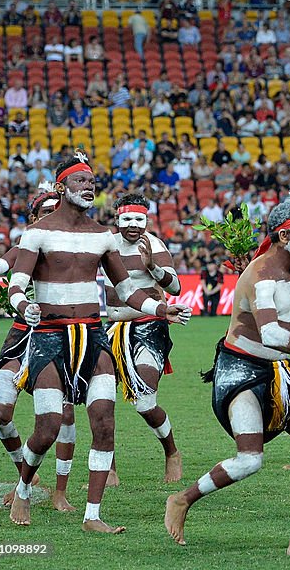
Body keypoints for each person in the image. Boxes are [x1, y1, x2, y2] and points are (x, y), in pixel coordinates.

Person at [164, 193, 290, 555]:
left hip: (277, 372)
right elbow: (272, 334)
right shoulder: (259, 274)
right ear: (284, 237)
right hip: (240, 371)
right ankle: (183, 499)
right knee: (250, 460)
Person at [7, 154, 189, 530]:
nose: (89, 186)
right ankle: (23, 490)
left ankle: (93, 515)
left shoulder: (102, 236)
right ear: (61, 188)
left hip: (92, 336)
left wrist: (160, 308)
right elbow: (15, 285)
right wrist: (23, 304)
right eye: (80, 181)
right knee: (48, 428)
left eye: (92, 182)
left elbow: (126, 290)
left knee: (104, 424)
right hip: (49, 337)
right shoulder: (38, 233)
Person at [0, 183, 77, 512]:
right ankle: (26, 475)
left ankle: (60, 492)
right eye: (46, 212)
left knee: (64, 415)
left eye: (56, 212)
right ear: (33, 218)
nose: (52, 218)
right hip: (21, 336)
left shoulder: (74, 248)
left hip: (59, 337)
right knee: (0, 413)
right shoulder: (23, 248)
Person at [104, 193, 184, 482]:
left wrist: (152, 266)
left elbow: (175, 286)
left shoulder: (155, 244)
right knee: (101, 401)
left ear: (147, 220)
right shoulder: (106, 245)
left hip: (149, 327)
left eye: (139, 219)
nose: (133, 225)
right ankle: (108, 465)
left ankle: (171, 451)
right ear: (117, 219)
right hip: (112, 328)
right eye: (127, 219)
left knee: (145, 402)